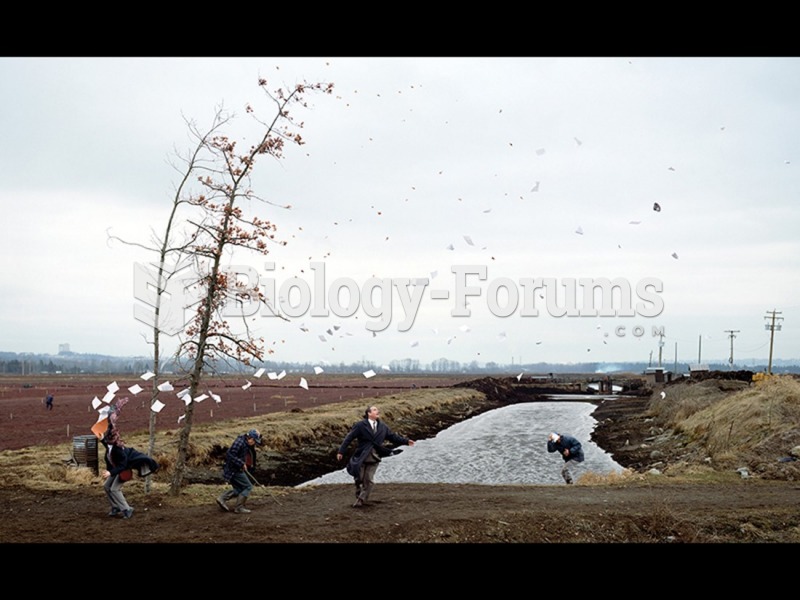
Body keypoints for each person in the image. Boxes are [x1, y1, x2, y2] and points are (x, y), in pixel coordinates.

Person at [337, 405, 415, 507]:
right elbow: (349, 437)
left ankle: (361, 499)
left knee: (368, 480)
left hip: (375, 456)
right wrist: (341, 451)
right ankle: (358, 490)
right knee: (359, 478)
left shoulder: (383, 427)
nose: (377, 411)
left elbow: (392, 437)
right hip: (361, 455)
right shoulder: (360, 425)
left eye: (377, 410)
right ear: (369, 413)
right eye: (374, 410)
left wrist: (406, 441)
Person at [100, 397, 159, 519]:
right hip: (117, 469)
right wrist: (101, 438)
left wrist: (110, 472)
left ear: (112, 441)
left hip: (124, 470)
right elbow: (107, 442)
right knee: (106, 487)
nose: (106, 440)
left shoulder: (118, 450)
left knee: (115, 489)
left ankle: (127, 509)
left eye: (106, 439)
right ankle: (115, 507)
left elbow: (123, 465)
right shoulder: (110, 445)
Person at [217, 429, 263, 514]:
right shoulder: (239, 442)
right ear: (250, 438)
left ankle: (222, 498)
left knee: (239, 489)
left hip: (235, 469)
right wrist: (241, 463)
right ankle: (239, 507)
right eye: (255, 441)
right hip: (233, 470)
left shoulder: (245, 442)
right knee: (248, 486)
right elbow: (230, 455)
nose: (255, 444)